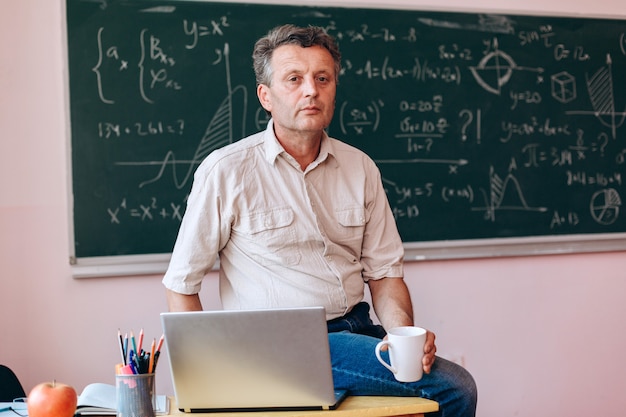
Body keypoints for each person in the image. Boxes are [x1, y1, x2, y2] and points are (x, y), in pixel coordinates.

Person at [163, 24, 477, 416]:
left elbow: (384, 275)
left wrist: (400, 337)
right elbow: (181, 284)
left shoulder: (360, 167)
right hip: (276, 345)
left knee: (432, 381)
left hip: (358, 333)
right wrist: (217, 373)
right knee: (455, 389)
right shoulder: (226, 171)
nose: (311, 89)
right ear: (266, 96)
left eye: (322, 79)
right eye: (294, 79)